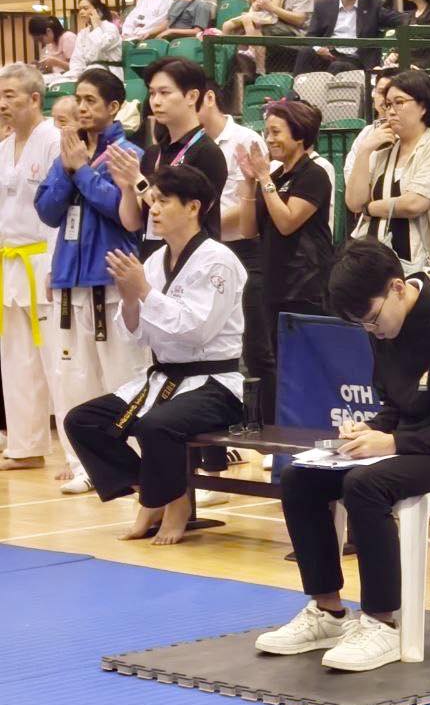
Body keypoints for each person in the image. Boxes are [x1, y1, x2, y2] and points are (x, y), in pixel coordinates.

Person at [257, 239, 430, 672]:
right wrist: (372, 428)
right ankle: (329, 612)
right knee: (301, 477)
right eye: (362, 326)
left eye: (372, 319)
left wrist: (392, 443)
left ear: (398, 287)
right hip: (416, 445)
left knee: (365, 485)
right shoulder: (385, 327)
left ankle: (382, 622)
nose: (372, 330)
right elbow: (396, 403)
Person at [63, 164, 246, 546]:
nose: (154, 209)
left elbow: (197, 331)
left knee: (155, 426)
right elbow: (135, 335)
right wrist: (131, 299)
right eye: (153, 201)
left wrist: (145, 292)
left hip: (215, 384)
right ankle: (155, 491)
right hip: (163, 378)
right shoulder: (155, 261)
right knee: (82, 421)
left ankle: (172, 503)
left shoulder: (218, 261)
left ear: (193, 207)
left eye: (164, 201)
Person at [34, 70, 150, 492]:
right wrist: (68, 170)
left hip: (112, 279)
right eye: (78, 100)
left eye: (90, 101)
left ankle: (134, 462)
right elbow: (47, 210)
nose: (81, 108)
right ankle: (86, 465)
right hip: (69, 278)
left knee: (121, 374)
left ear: (113, 107)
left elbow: (122, 211)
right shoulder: (67, 150)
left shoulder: (128, 152)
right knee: (74, 378)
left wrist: (82, 171)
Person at [0, 64, 82, 484]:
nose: (3, 103)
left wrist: (56, 265)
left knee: (57, 361)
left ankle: (76, 454)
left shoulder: (54, 141)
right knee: (15, 360)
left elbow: (62, 208)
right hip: (9, 264)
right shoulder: (4, 146)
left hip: (44, 263)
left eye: (11, 95)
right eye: (1, 95)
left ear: (35, 98)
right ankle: (25, 445)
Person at [233, 100, 334, 425]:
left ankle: (307, 431)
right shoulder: (272, 177)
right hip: (273, 284)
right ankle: (277, 433)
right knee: (272, 361)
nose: (269, 139)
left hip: (306, 286)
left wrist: (264, 178)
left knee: (305, 366)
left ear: (300, 134)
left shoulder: (314, 174)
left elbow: (288, 221)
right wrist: (250, 183)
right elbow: (249, 229)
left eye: (276, 132)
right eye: (267, 131)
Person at [346, 70, 430, 279]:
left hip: (418, 267)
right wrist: (364, 151)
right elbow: (353, 202)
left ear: (423, 107)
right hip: (373, 265)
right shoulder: (382, 149)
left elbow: (413, 204)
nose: (391, 111)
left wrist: (369, 208)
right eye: (388, 104)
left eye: (399, 102)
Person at [112, 58, 227, 251]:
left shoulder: (207, 152)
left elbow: (183, 215)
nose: (156, 101)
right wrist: (127, 189)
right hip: (153, 260)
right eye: (152, 93)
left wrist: (138, 181)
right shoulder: (153, 153)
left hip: (194, 262)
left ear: (191, 96)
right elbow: (132, 223)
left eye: (164, 93)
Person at [202, 86, 271, 393]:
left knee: (255, 345)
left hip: (241, 248)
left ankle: (268, 420)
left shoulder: (245, 139)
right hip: (204, 250)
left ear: (208, 98)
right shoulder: (188, 145)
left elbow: (245, 203)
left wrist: (197, 224)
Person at [294, 0, 404, 75]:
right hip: (329, 54)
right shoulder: (324, 4)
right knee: (305, 52)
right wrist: (319, 49)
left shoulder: (372, 5)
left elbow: (399, 19)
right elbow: (311, 36)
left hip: (357, 60)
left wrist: (418, 14)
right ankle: (295, 91)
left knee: (338, 66)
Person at [46, 0, 122, 86]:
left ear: (97, 11)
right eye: (80, 9)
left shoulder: (110, 27)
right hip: (89, 72)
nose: (81, 12)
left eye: (85, 8)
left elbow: (102, 45)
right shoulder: (82, 33)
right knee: (56, 82)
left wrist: (96, 26)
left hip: (109, 73)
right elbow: (77, 61)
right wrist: (71, 76)